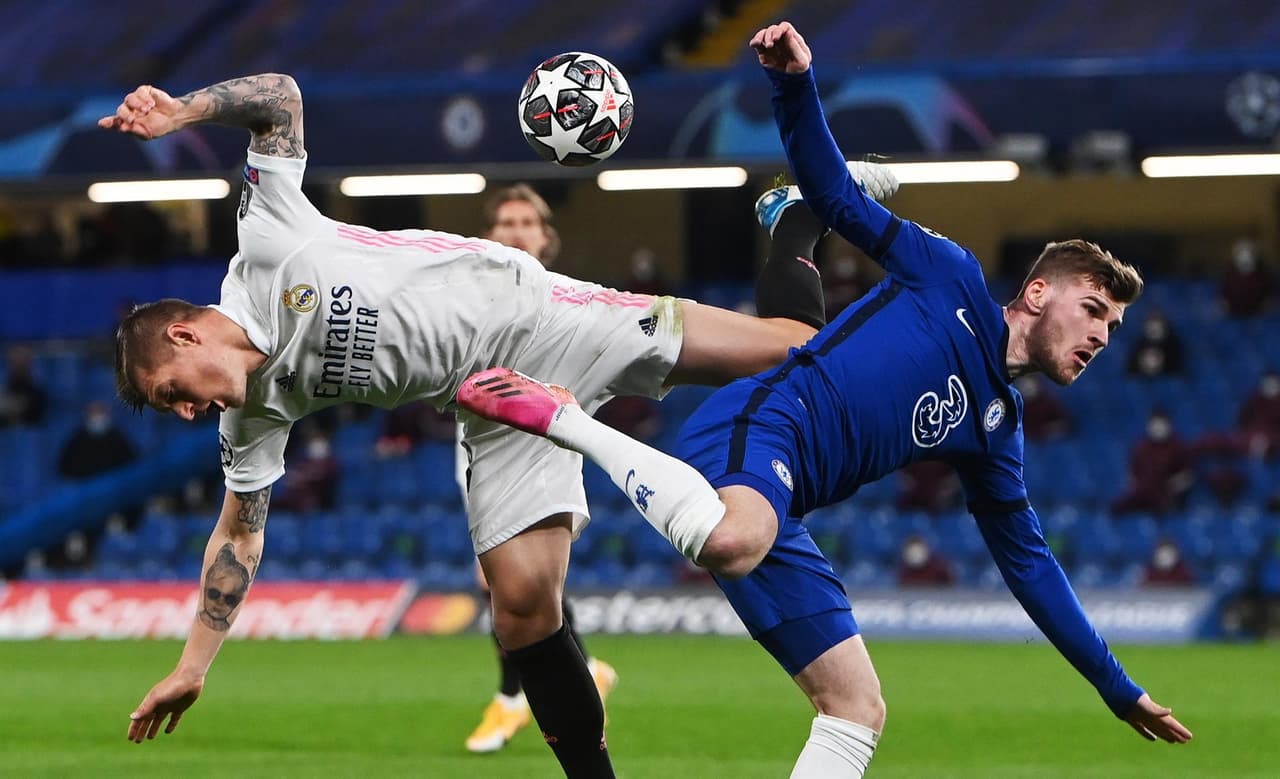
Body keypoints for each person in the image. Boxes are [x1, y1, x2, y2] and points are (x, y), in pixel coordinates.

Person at [97, 72, 898, 778]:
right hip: (491, 398)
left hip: (538, 316)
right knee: (520, 607)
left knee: (793, 353)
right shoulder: (253, 412)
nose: (192, 410)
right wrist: (193, 664)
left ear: (184, 333)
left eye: (175, 392)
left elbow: (280, 100)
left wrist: (183, 112)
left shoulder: (266, 242)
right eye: (178, 409)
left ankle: (793, 218)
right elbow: (238, 536)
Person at [457, 22, 1192, 777]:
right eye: (1095, 308)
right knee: (736, 532)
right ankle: (562, 415)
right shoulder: (951, 275)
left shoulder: (996, 428)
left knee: (856, 705)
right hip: (759, 426)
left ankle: (786, 228)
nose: (1103, 334)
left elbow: (1031, 567)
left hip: (785, 504)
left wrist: (1115, 685)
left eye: (1114, 324)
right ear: (1037, 292)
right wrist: (794, 84)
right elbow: (840, 191)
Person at [461, 183, 618, 755]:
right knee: (521, 589)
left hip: (544, 442)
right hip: (478, 441)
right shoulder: (470, 299)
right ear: (490, 237)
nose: (515, 230)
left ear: (546, 238)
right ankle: (584, 669)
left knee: (511, 585)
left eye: (527, 221)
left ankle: (510, 700)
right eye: (505, 222)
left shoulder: (571, 299)